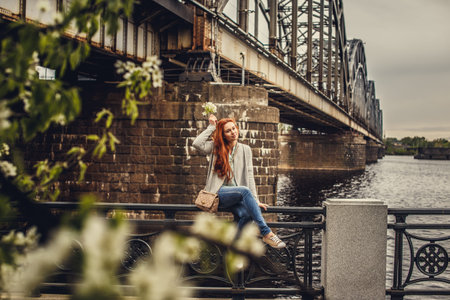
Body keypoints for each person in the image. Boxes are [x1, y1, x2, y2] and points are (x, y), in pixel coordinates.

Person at [193, 114, 286, 249]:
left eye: (234, 128)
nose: (233, 132)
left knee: (247, 214)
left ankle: (232, 246)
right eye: (228, 131)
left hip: (237, 196)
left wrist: (255, 200)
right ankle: (267, 233)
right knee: (244, 191)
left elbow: (249, 176)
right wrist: (211, 127)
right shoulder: (216, 147)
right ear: (223, 134)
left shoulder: (245, 149)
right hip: (218, 195)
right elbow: (197, 143)